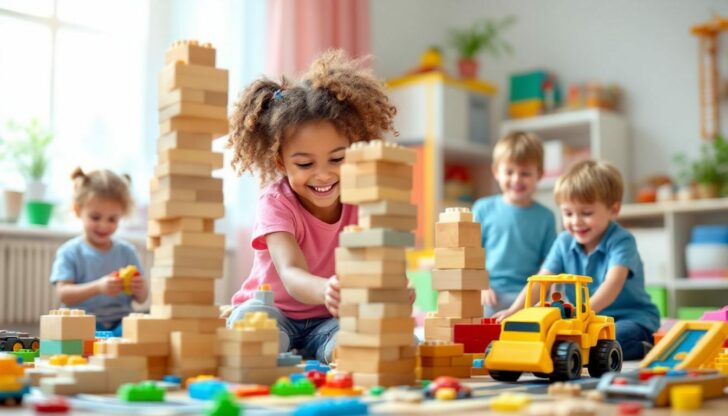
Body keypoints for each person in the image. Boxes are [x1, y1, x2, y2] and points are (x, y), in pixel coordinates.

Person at [223, 50, 398, 363]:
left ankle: (321, 348)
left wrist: (391, 293)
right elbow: (291, 273)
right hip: (272, 309)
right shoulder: (276, 201)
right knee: (252, 334)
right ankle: (264, 337)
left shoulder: (362, 200)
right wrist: (327, 289)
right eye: (304, 163)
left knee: (362, 343)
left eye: (337, 159)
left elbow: (377, 262)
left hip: (327, 320)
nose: (323, 174)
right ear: (281, 162)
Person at [495, 160, 660, 360]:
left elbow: (613, 283)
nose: (575, 221)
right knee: (556, 339)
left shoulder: (621, 240)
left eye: (587, 213)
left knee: (606, 342)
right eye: (568, 213)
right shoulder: (564, 241)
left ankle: (645, 346)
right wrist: (515, 310)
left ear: (613, 210)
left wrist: (583, 312)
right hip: (582, 321)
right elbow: (541, 279)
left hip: (628, 318)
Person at [50, 167, 147, 336]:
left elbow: (142, 299)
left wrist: (139, 289)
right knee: (69, 332)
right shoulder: (70, 251)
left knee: (147, 323)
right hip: (84, 325)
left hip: (120, 323)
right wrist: (98, 287)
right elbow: (63, 294)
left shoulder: (128, 252)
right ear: (78, 210)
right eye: (95, 217)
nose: (103, 225)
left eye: (112, 219)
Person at [472, 131, 557, 316]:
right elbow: (471, 256)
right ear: (496, 172)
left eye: (525, 173)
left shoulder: (546, 217)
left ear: (540, 174)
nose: (516, 179)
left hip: (528, 297)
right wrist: (482, 287)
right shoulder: (483, 209)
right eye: (509, 172)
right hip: (490, 294)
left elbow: (551, 264)